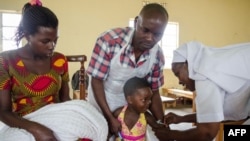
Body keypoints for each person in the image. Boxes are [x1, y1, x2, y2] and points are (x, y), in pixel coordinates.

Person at [0, 1, 108, 141]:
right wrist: (37, 129)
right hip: (23, 123)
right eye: (45, 41)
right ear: (28, 36)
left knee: (94, 128)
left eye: (55, 40)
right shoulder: (6, 61)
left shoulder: (59, 60)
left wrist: (78, 116)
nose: (52, 46)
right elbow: (3, 112)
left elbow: (65, 100)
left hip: (58, 119)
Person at [86, 2, 169, 140]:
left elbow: (154, 92)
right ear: (137, 22)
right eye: (145, 30)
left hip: (132, 105)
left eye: (157, 34)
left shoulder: (157, 56)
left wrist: (161, 124)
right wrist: (110, 118)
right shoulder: (109, 41)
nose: (150, 38)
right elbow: (97, 81)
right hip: (102, 101)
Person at [153, 41, 250, 141]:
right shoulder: (209, 67)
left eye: (178, 74)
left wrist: (170, 135)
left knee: (233, 134)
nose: (180, 81)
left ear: (188, 64)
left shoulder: (203, 75)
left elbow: (207, 133)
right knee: (233, 134)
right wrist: (180, 119)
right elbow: (212, 116)